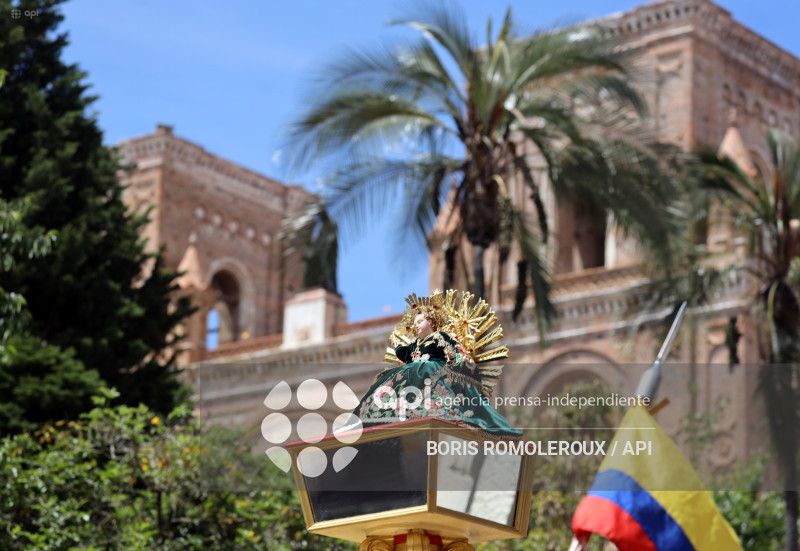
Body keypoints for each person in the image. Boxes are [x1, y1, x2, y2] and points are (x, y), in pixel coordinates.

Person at [353, 305, 522, 439]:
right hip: (414, 371)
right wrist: (399, 347)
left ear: (432, 323)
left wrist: (455, 360)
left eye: (420, 321)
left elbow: (458, 353)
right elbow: (405, 355)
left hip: (434, 368)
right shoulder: (414, 344)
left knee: (424, 369)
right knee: (394, 374)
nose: (415, 326)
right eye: (414, 323)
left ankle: (433, 407)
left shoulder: (440, 337)